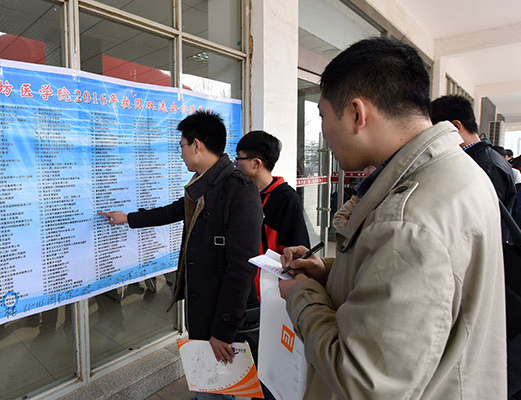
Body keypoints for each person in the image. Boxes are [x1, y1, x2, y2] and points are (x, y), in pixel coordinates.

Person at [278, 38, 507, 400]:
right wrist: (329, 273)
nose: (323, 131)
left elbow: (364, 381)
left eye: (322, 115)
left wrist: (302, 295)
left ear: (357, 114)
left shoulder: (407, 221)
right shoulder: (459, 172)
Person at [100, 110, 262, 400]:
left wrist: (224, 329)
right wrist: (128, 218)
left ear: (197, 145)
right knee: (206, 382)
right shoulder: (204, 183)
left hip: (220, 315)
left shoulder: (239, 189)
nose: (181, 154)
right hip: (202, 306)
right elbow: (175, 210)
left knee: (220, 386)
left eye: (182, 146)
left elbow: (242, 268)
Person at [233, 130, 310, 400]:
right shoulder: (243, 195)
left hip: (269, 301)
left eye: (239, 158)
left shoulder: (284, 199)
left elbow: (299, 255)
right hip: (244, 296)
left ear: (256, 163)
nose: (235, 164)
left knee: (267, 371)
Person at [430, 95, 516, 212]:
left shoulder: (486, 166)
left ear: (455, 126)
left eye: (436, 132)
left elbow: (486, 215)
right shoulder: (484, 158)